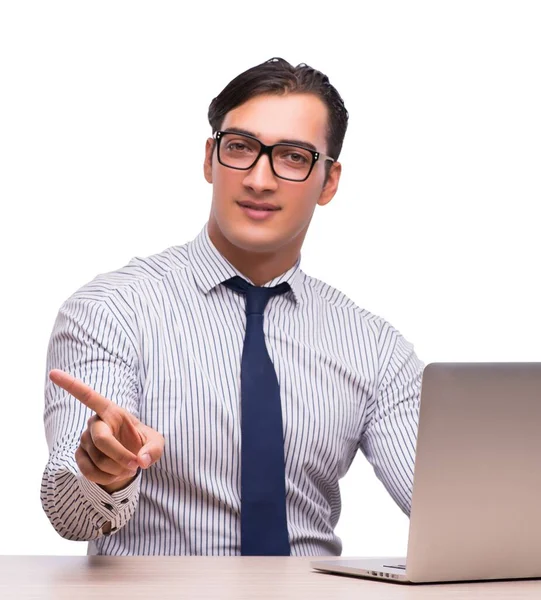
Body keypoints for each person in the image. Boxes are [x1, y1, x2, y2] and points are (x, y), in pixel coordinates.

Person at [41, 57, 425, 556]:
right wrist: (105, 473)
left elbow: (458, 510)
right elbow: (71, 516)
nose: (259, 180)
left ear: (328, 182)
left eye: (292, 157)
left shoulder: (373, 347)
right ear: (209, 159)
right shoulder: (111, 312)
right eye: (241, 148)